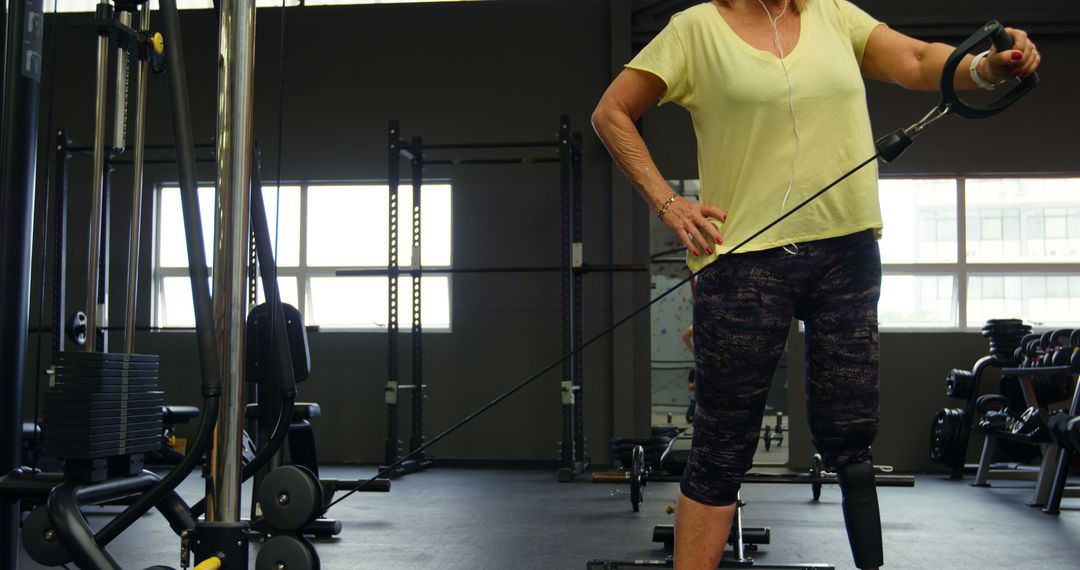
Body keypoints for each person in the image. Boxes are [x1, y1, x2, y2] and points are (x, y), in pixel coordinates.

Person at [591, 1, 1041, 569]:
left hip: (847, 251)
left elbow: (917, 59)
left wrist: (984, 69)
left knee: (851, 433)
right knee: (722, 445)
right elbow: (611, 112)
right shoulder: (693, 30)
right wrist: (668, 201)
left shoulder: (834, 15)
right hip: (744, 262)